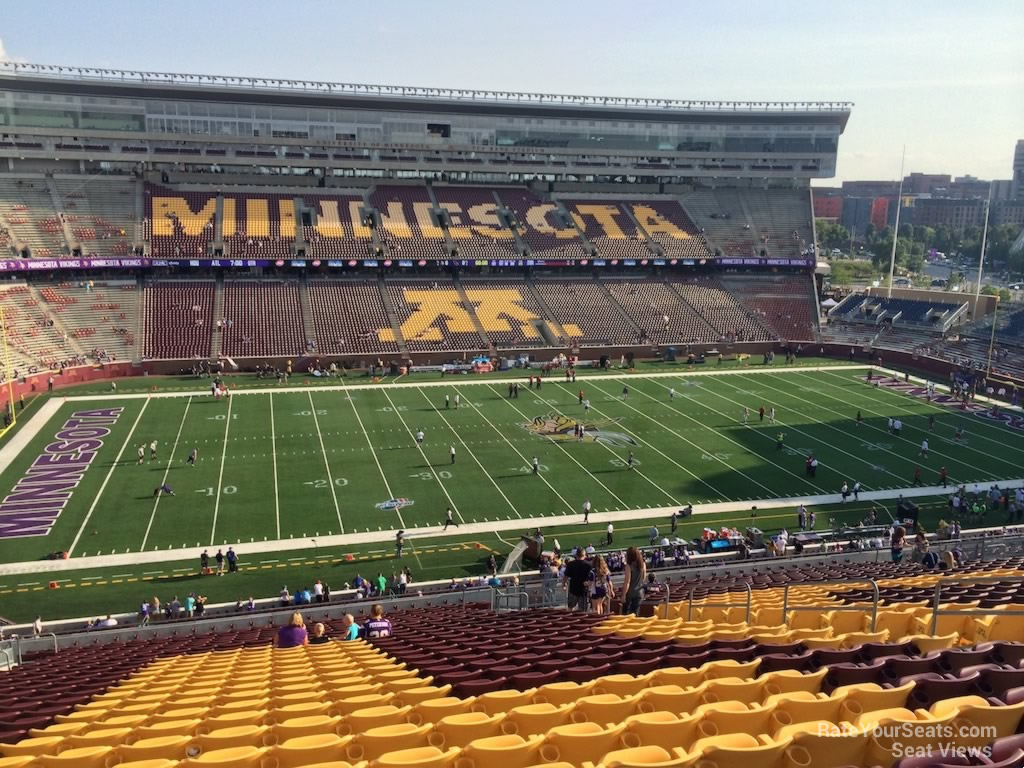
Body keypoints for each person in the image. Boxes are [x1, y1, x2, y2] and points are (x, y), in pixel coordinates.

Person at [562, 547, 592, 612]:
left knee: (570, 608)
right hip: (584, 590)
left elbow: (565, 576)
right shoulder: (589, 565)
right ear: (584, 555)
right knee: (582, 610)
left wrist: (563, 584)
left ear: (576, 555)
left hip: (573, 589)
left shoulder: (570, 564)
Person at [621, 547, 646, 615]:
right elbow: (644, 577)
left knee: (626, 613)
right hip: (639, 592)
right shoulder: (643, 564)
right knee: (636, 613)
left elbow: (627, 582)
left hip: (630, 593)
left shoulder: (628, 566)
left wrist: (623, 595)